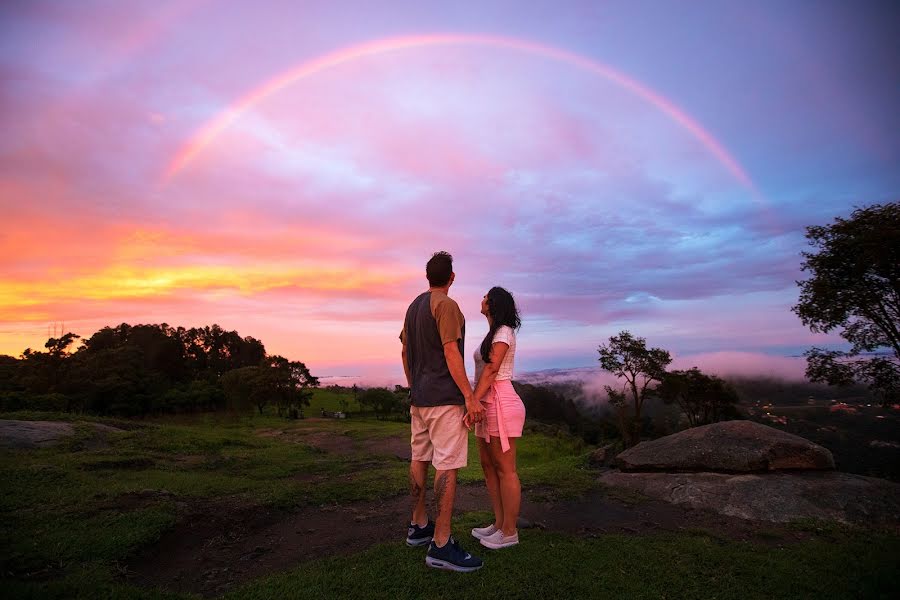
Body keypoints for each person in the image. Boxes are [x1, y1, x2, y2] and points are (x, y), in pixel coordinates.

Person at [400, 251, 485, 572]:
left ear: (427, 277)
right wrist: (469, 396)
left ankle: (418, 525)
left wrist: (414, 386)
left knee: (419, 458)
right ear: (451, 277)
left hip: (419, 399)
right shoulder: (446, 305)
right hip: (444, 400)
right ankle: (441, 543)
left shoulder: (413, 307)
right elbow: (451, 351)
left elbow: (405, 350)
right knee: (447, 466)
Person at [468, 286, 525, 550]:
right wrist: (476, 399)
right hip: (486, 401)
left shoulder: (503, 332)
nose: (481, 300)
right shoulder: (492, 333)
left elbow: (492, 370)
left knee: (505, 469)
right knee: (488, 466)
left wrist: (473, 400)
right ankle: (500, 524)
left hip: (500, 401)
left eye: (485, 296)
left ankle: (510, 532)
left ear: (492, 304)